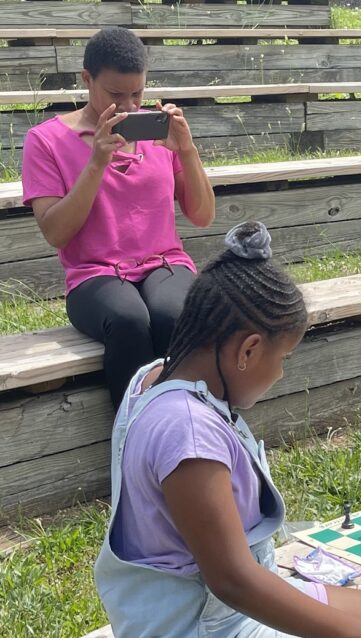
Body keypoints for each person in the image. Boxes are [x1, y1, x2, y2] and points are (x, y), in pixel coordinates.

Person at [93, 222, 361, 638]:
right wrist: (356, 635)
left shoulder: (155, 376)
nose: (280, 373)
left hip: (220, 615)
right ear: (248, 350)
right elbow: (232, 580)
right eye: (282, 358)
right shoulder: (187, 433)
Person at [21, 27, 215, 407]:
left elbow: (203, 215)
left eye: (137, 94)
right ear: (87, 79)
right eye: (115, 95)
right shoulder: (45, 141)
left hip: (164, 264)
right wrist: (96, 162)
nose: (129, 106)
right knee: (129, 320)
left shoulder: (160, 136)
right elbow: (56, 233)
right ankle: (134, 432)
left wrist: (187, 151)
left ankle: (190, 424)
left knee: (174, 313)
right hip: (92, 276)